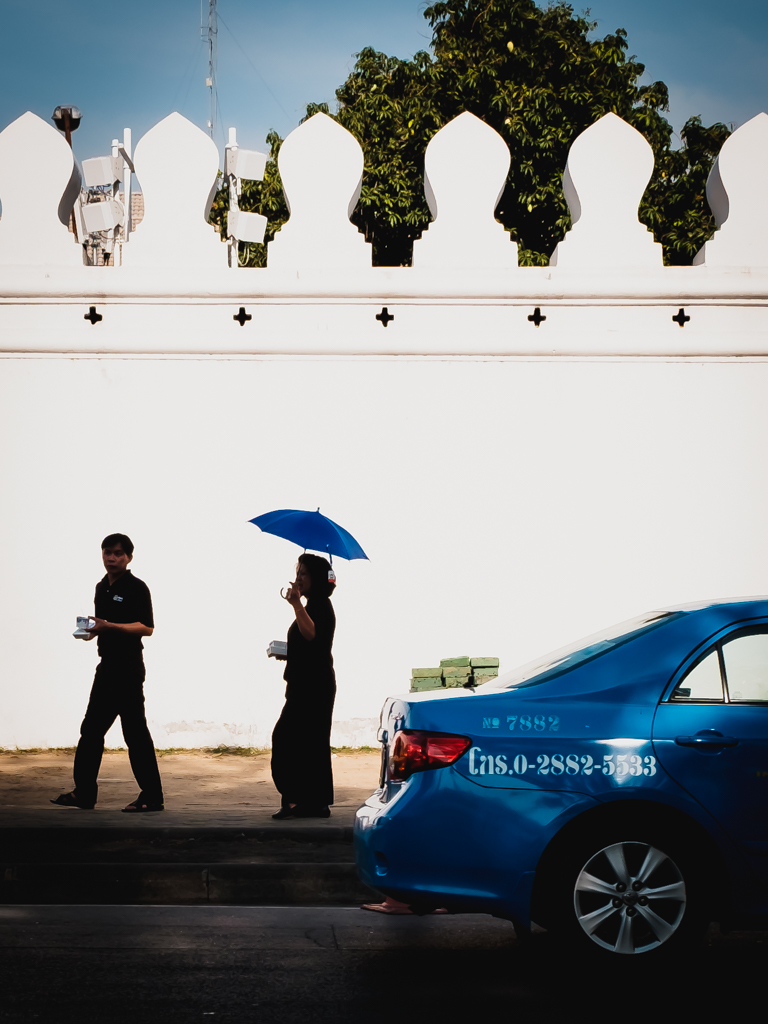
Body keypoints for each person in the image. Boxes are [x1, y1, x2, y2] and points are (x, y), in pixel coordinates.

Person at [51, 533, 164, 812]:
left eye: (117, 554)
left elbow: (146, 628)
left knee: (135, 733)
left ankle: (152, 797)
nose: (111, 558)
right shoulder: (101, 587)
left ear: (129, 558)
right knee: (91, 730)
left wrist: (111, 626)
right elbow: (102, 624)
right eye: (107, 553)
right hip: (107, 666)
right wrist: (92, 632)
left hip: (128, 668)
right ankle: (84, 793)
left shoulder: (137, 587)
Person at [271, 553, 337, 819]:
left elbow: (312, 635)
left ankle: (304, 801)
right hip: (303, 683)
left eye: (303, 574)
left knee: (295, 741)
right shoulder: (311, 606)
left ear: (317, 579)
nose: (298, 578)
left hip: (315, 687)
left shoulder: (320, 606)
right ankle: (307, 801)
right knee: (301, 742)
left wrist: (296, 604)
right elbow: (309, 644)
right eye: (297, 572)